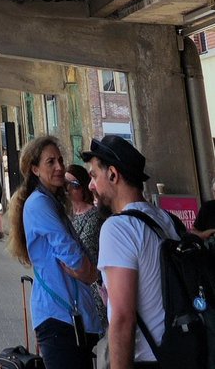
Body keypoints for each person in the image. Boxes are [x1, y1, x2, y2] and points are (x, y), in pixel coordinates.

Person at [6, 134, 101, 369]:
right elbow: (74, 257)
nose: (59, 167)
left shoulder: (52, 201)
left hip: (69, 316)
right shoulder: (39, 203)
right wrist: (90, 272)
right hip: (58, 318)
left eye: (60, 160)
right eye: (50, 162)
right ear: (35, 169)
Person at [85, 134, 179, 369]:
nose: (90, 186)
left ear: (113, 174)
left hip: (147, 360)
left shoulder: (119, 229)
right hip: (180, 353)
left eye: (94, 176)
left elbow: (123, 319)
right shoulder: (167, 219)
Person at [65, 163, 106, 326]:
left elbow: (82, 253)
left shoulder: (94, 216)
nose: (68, 188)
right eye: (65, 183)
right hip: (71, 288)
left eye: (73, 184)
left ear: (83, 188)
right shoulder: (65, 215)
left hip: (91, 288)